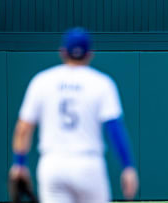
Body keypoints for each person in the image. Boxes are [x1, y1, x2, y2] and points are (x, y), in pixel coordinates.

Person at [9, 27, 139, 203]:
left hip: (53, 164)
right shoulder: (101, 83)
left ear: (63, 52)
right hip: (88, 164)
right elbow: (114, 129)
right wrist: (127, 166)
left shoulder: (42, 81)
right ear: (90, 54)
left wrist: (19, 164)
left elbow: (23, 128)